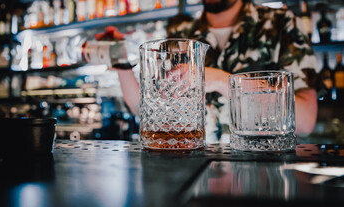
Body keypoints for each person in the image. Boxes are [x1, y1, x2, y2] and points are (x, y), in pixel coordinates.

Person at [116, 0, 319, 143]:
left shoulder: (281, 23)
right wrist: (120, 61)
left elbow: (304, 121)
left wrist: (222, 81)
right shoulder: (181, 35)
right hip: (194, 174)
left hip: (262, 175)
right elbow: (150, 113)